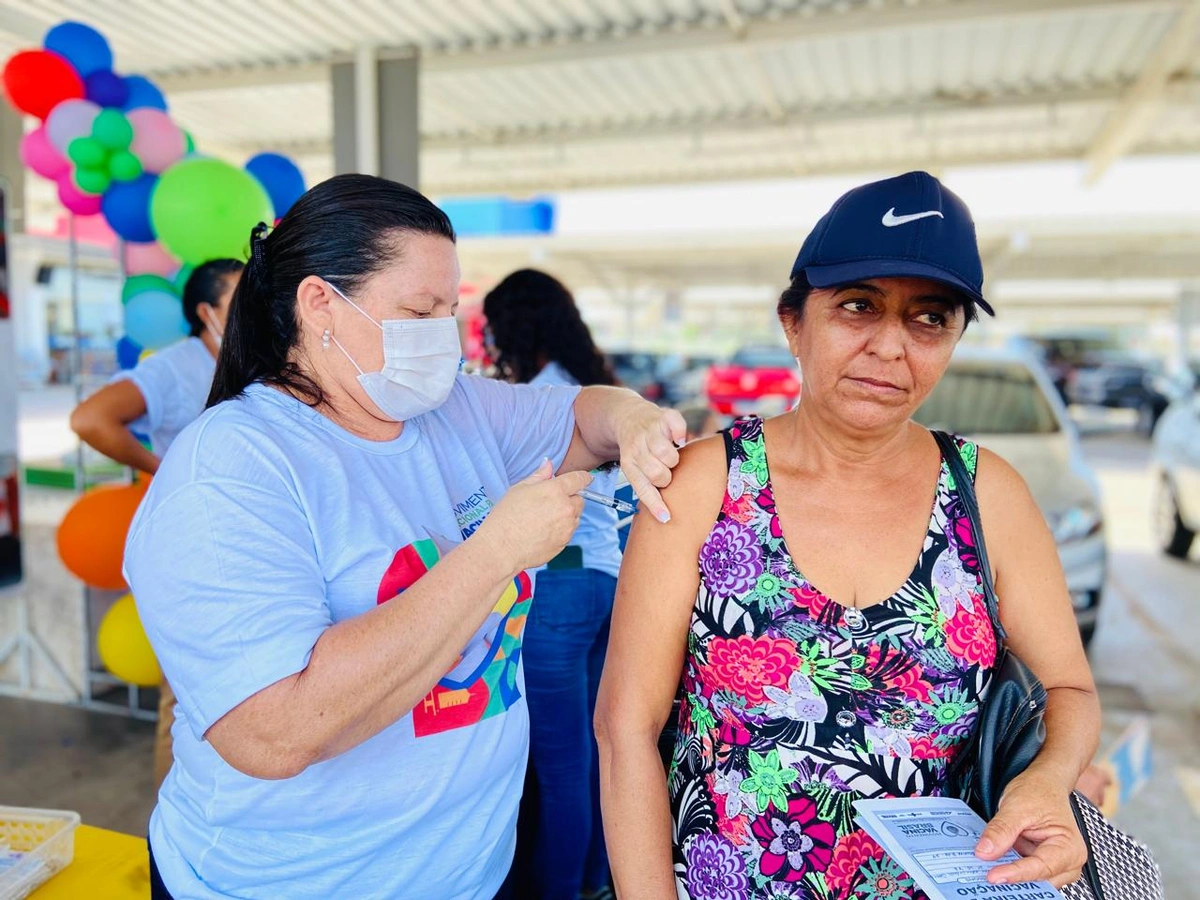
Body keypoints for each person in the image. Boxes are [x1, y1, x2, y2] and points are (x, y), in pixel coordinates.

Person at [123, 174, 686, 900]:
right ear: (320, 302)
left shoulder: (457, 411)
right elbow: (274, 732)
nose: (439, 337)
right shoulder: (232, 467)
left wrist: (634, 419)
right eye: (419, 310)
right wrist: (495, 553)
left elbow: (584, 415)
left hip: (469, 873)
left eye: (449, 311)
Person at [596, 171, 1099, 898]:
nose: (892, 346)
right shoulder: (709, 485)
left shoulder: (988, 493)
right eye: (858, 306)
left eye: (930, 319)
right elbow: (625, 729)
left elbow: (1068, 687)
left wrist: (1049, 781)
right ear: (793, 321)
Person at [70, 258, 243, 788]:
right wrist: (166, 471)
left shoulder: (257, 360)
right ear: (206, 311)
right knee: (188, 702)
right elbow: (89, 419)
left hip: (252, 544)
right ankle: (172, 828)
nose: (256, 310)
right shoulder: (175, 367)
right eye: (241, 300)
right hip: (199, 550)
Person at [483, 269, 621, 900]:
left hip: (556, 591)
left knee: (559, 766)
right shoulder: (587, 391)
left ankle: (560, 889)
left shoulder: (541, 398)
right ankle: (593, 878)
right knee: (590, 755)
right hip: (604, 582)